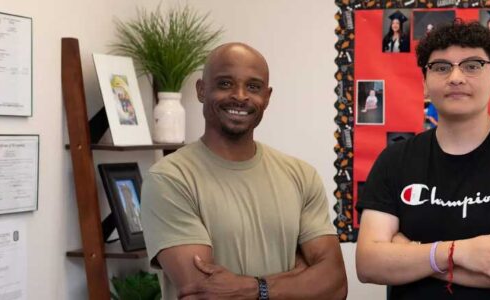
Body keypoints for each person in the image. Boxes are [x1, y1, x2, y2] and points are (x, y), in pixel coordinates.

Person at [356, 20, 490, 299]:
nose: (455, 77)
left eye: (472, 65)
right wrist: (461, 253)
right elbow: (369, 264)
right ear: (424, 83)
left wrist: (408, 251)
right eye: (441, 67)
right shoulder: (395, 159)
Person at [141, 43, 347, 300]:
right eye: (225, 84)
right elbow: (204, 292)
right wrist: (300, 276)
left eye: (253, 87)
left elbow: (335, 284)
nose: (240, 96)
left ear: (267, 97)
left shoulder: (301, 175)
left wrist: (254, 288)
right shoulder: (170, 179)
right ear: (201, 90)